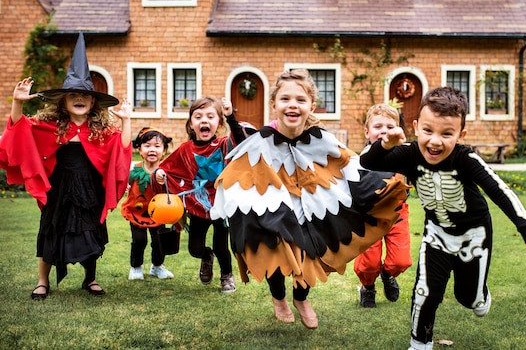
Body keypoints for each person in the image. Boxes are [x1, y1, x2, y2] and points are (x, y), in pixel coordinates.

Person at [210, 69, 408, 329]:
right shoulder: (259, 142)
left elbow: (352, 165)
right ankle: (279, 297)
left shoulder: (321, 140)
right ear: (274, 105)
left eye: (300, 100)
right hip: (275, 206)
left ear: (311, 106)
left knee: (309, 252)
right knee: (276, 250)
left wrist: (387, 166)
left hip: (310, 205)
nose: (293, 104)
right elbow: (238, 170)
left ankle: (301, 299)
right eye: (285, 99)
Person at [360, 86, 526, 350]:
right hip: (436, 234)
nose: (435, 141)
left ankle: (479, 295)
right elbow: (367, 163)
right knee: (425, 293)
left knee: (468, 298)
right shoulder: (409, 154)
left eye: (447, 133)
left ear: (461, 135)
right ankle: (419, 344)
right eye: (428, 131)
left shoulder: (466, 159)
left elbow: (500, 191)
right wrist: (385, 144)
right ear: (416, 127)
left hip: (474, 235)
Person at [0, 33, 132, 299]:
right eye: (72, 95)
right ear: (62, 100)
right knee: (51, 228)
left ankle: (90, 278)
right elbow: (19, 130)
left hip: (89, 189)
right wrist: (17, 103)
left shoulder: (102, 131)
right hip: (58, 188)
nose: (79, 99)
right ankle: (42, 281)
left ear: (93, 101)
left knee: (90, 230)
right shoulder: (48, 126)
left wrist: (127, 120)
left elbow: (123, 149)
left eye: (84, 95)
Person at [154, 96, 246, 293]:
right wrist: (160, 174)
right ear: (191, 124)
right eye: (198, 116)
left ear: (218, 123)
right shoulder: (185, 149)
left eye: (210, 116)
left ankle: (227, 276)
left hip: (221, 204)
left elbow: (241, 141)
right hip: (197, 205)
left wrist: (231, 117)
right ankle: (206, 256)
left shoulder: (224, 145)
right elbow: (165, 168)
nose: (204, 120)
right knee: (195, 248)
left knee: (221, 246)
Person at [355, 103, 412, 308]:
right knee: (369, 263)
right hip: (369, 215)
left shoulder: (405, 155)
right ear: (367, 131)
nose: (384, 132)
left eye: (390, 127)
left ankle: (388, 275)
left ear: (398, 130)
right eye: (378, 126)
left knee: (401, 260)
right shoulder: (362, 159)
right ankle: (368, 287)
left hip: (397, 213)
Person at [121, 127, 176, 280]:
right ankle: (136, 266)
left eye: (157, 146)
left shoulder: (165, 171)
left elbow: (173, 190)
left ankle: (157, 266)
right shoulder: (134, 169)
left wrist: (166, 182)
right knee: (139, 240)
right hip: (136, 212)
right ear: (139, 149)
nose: (152, 149)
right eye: (147, 145)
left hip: (159, 213)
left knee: (159, 241)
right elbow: (124, 184)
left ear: (164, 151)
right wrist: (124, 187)